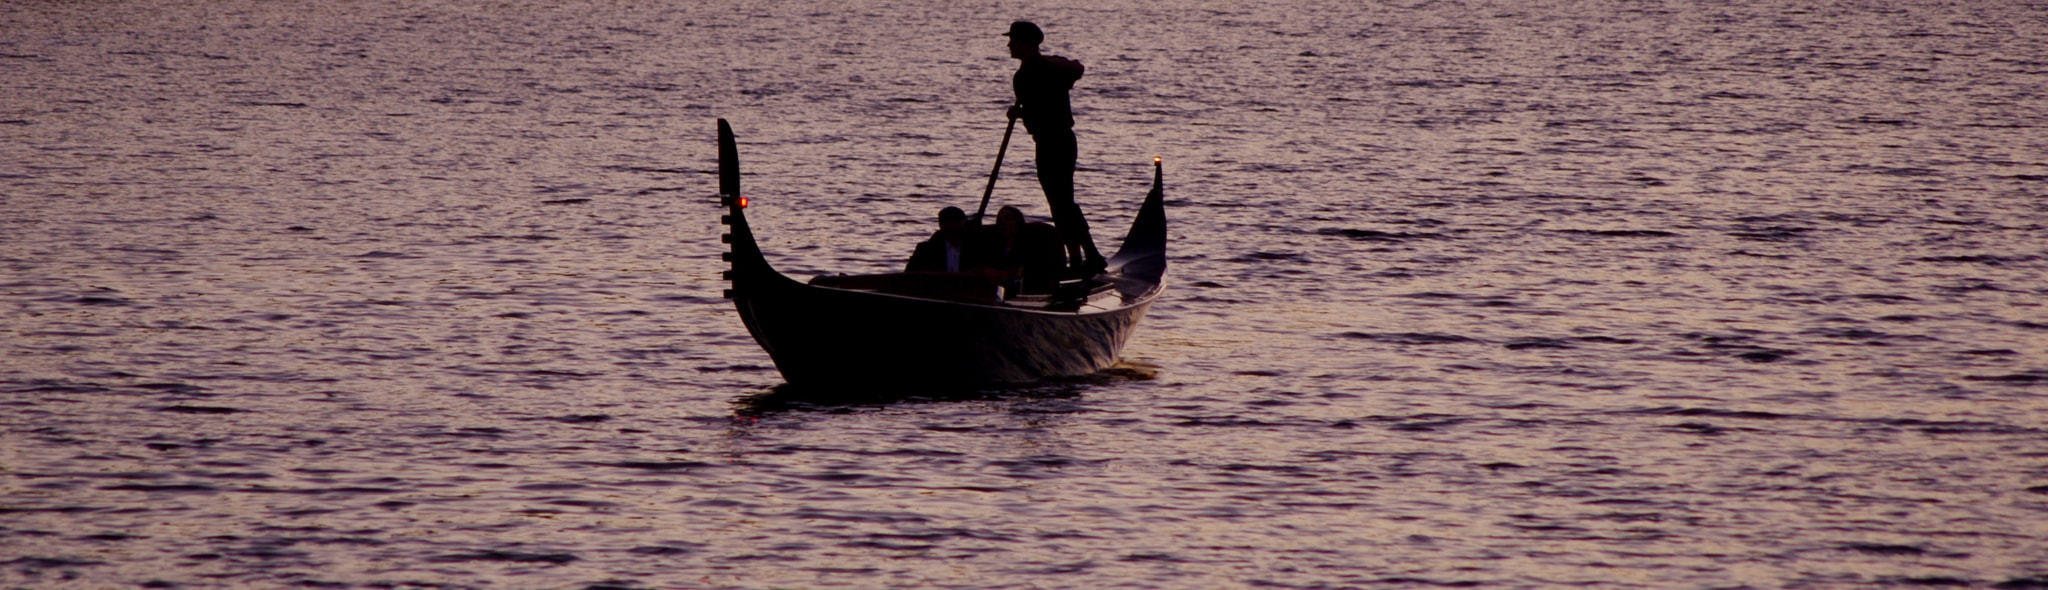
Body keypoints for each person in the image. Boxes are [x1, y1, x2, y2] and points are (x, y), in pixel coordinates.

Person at [1003, 20, 1105, 276]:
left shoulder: (1050, 68)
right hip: (1044, 142)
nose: (1009, 45)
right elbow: (1039, 109)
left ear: (1028, 44)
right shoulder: (1022, 76)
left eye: (1014, 40)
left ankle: (1085, 257)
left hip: (1059, 142)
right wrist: (1020, 113)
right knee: (1059, 203)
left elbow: (1077, 68)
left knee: (1063, 203)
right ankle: (1084, 257)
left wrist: (1045, 60)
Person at [974, 205, 1067, 293]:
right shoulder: (991, 246)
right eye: (999, 220)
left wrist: (1004, 274)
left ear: (1017, 223)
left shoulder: (1030, 247)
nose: (1002, 223)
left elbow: (1031, 272)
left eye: (1008, 219)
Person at [906, 206, 971, 273]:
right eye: (949, 224)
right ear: (941, 226)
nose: (952, 227)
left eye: (956, 225)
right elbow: (908, 276)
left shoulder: (976, 248)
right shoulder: (925, 250)